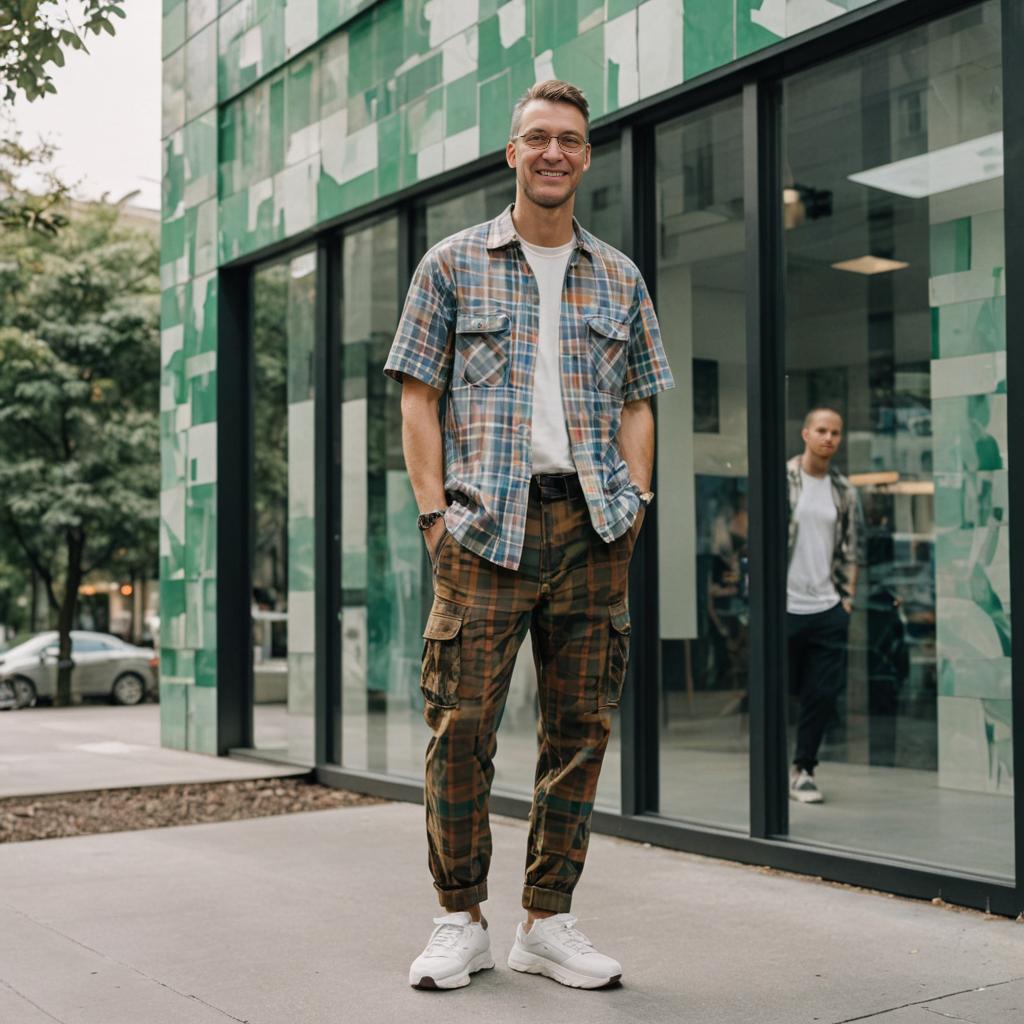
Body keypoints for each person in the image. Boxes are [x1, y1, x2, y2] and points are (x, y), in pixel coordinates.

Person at [384, 79, 674, 991]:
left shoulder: (619, 276)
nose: (554, 153)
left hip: (594, 529)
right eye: (538, 139)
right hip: (484, 530)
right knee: (459, 726)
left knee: (578, 731)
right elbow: (417, 396)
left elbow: (638, 400)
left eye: (571, 142)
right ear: (512, 153)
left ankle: (548, 921)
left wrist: (637, 504)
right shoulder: (452, 263)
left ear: (587, 158)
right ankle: (457, 918)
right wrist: (436, 515)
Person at [786, 408, 863, 804]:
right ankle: (770, 768)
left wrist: (846, 600)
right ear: (805, 433)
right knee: (780, 689)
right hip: (784, 608)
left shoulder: (844, 491)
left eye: (836, 432)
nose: (829, 438)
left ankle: (804, 769)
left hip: (827, 608)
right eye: (821, 430)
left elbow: (853, 550)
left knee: (822, 693)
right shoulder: (784, 481)